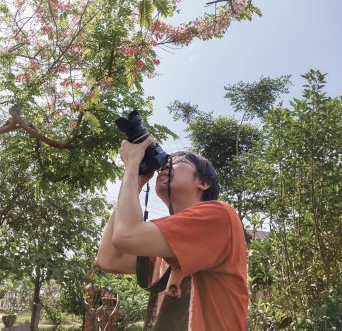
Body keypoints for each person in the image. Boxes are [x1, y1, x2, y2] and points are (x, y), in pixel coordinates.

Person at [96, 137, 248, 330]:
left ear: (204, 182)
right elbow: (107, 259)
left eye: (178, 161)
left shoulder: (219, 216)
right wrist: (136, 182)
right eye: (164, 163)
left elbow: (126, 235)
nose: (165, 166)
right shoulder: (165, 246)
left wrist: (132, 164)